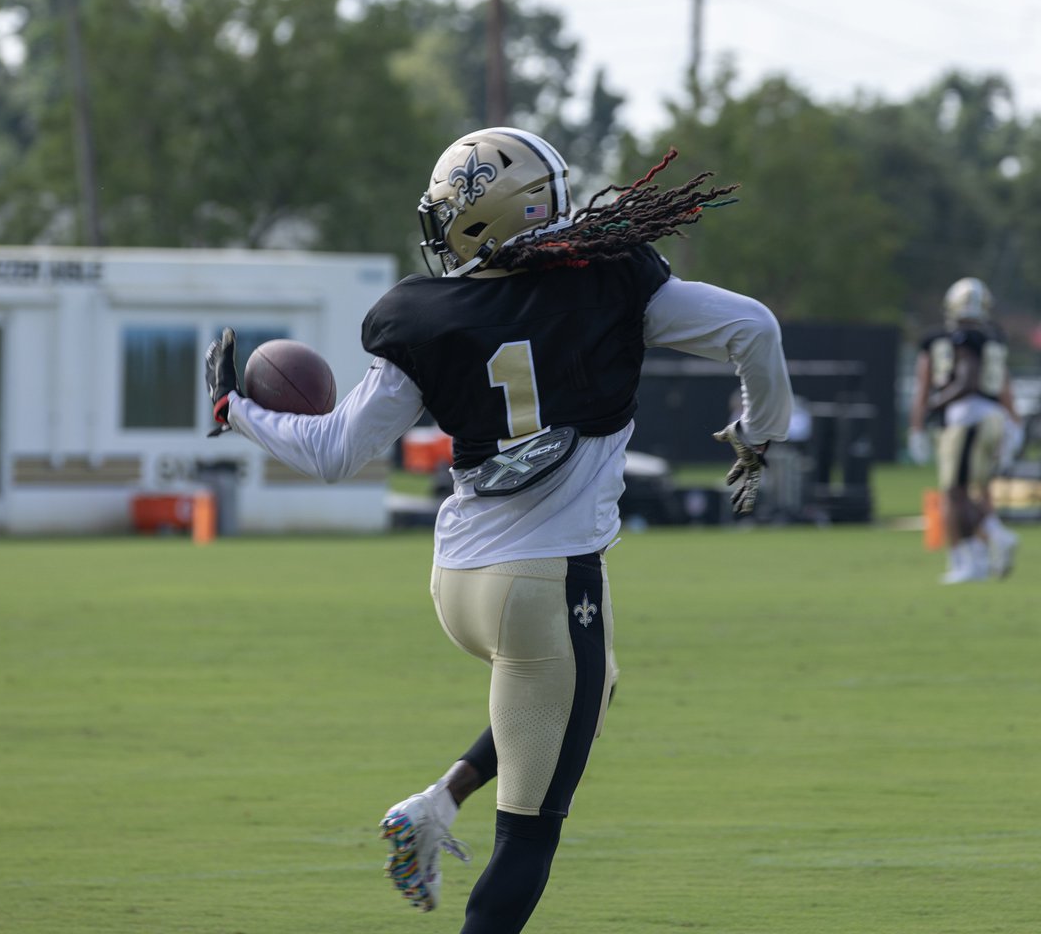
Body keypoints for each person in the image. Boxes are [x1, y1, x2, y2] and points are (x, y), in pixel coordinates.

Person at [205, 129, 793, 932]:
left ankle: (434, 804)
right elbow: (754, 329)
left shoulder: (423, 314)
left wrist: (239, 410)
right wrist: (759, 434)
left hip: (459, 584)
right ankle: (448, 832)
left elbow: (338, 451)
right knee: (529, 839)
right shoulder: (610, 282)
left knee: (596, 681)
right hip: (546, 585)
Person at [908, 276, 1020, 583]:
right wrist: (1015, 424)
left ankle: (987, 544)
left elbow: (953, 382)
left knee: (954, 492)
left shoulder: (956, 338)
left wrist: (926, 414)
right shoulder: (994, 337)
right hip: (995, 418)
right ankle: (977, 559)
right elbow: (1004, 387)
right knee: (975, 490)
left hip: (965, 419)